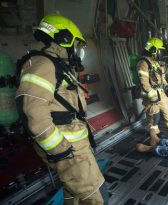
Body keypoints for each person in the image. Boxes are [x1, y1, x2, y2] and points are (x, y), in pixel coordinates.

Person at [15, 14, 106, 204]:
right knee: (95, 196)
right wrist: (60, 149)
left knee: (74, 194)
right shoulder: (43, 65)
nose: (77, 50)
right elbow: (33, 112)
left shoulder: (55, 65)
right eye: (76, 44)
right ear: (65, 39)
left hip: (72, 145)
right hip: (68, 148)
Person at [137, 37, 168, 145]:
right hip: (151, 96)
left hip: (160, 93)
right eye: (159, 50)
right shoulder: (143, 63)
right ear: (153, 50)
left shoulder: (154, 61)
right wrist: (151, 95)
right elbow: (144, 81)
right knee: (154, 117)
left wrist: (163, 68)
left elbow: (163, 71)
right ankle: (155, 137)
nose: (161, 53)